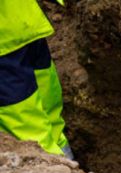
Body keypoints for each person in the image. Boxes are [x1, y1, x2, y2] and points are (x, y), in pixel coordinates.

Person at [0, 0, 73, 159]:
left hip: (27, 25)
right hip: (5, 46)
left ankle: (69, 170)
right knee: (29, 133)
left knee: (50, 113)